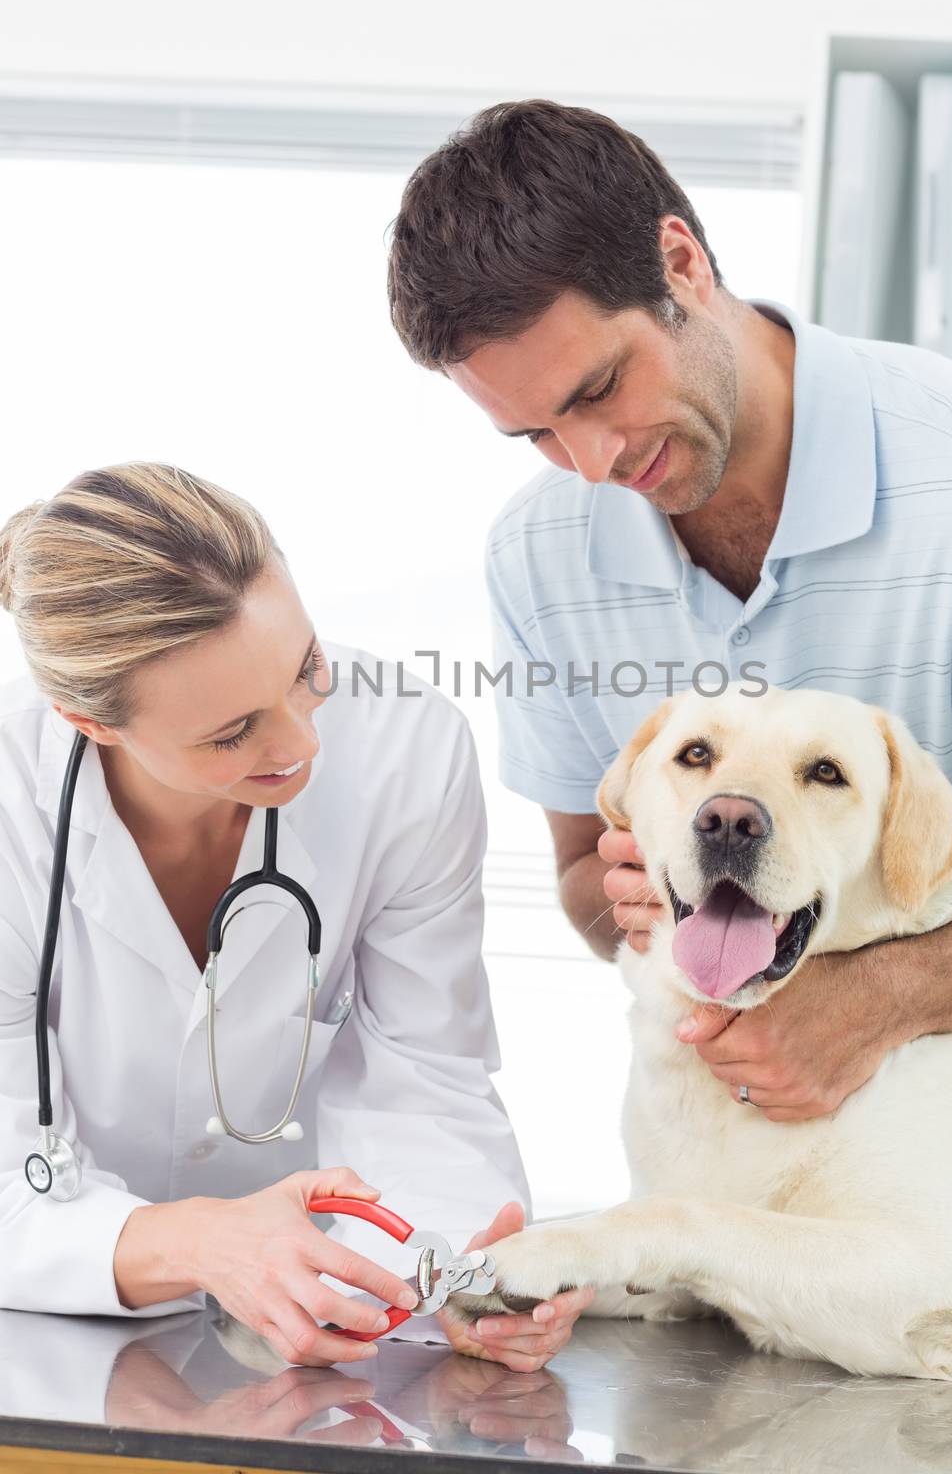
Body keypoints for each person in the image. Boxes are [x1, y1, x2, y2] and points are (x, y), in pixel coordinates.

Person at [388, 98, 952, 1124]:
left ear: (680, 264)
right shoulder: (537, 556)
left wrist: (880, 1000)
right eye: (533, 433)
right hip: (734, 1142)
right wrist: (627, 890)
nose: (592, 462)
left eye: (600, 386)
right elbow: (584, 869)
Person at [0, 462, 591, 1369]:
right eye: (231, 734)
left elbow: (425, 1075)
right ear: (91, 721)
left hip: (300, 1342)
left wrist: (449, 1271)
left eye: (305, 667)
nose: (301, 741)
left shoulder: (404, 749)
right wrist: (195, 1243)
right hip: (42, 1336)